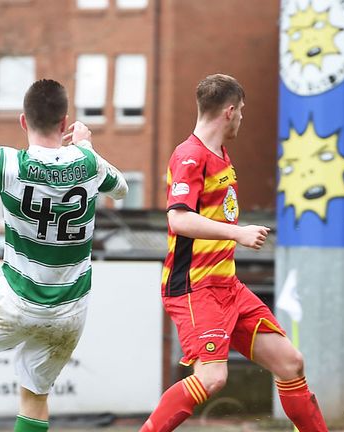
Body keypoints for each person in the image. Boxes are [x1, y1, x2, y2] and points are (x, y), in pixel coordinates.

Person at [0, 34, 128, 432]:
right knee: (34, 397)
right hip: (70, 310)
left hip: (19, 300)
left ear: (23, 121)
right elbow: (120, 189)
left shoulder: (9, 164)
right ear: (65, 123)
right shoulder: (89, 164)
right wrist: (88, 147)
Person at [140, 74, 327, 432]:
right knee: (212, 378)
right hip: (195, 288)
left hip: (227, 287)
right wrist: (237, 233)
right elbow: (179, 219)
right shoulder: (190, 157)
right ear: (229, 111)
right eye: (240, 110)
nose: (242, 117)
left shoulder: (221, 156)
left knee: (291, 362)